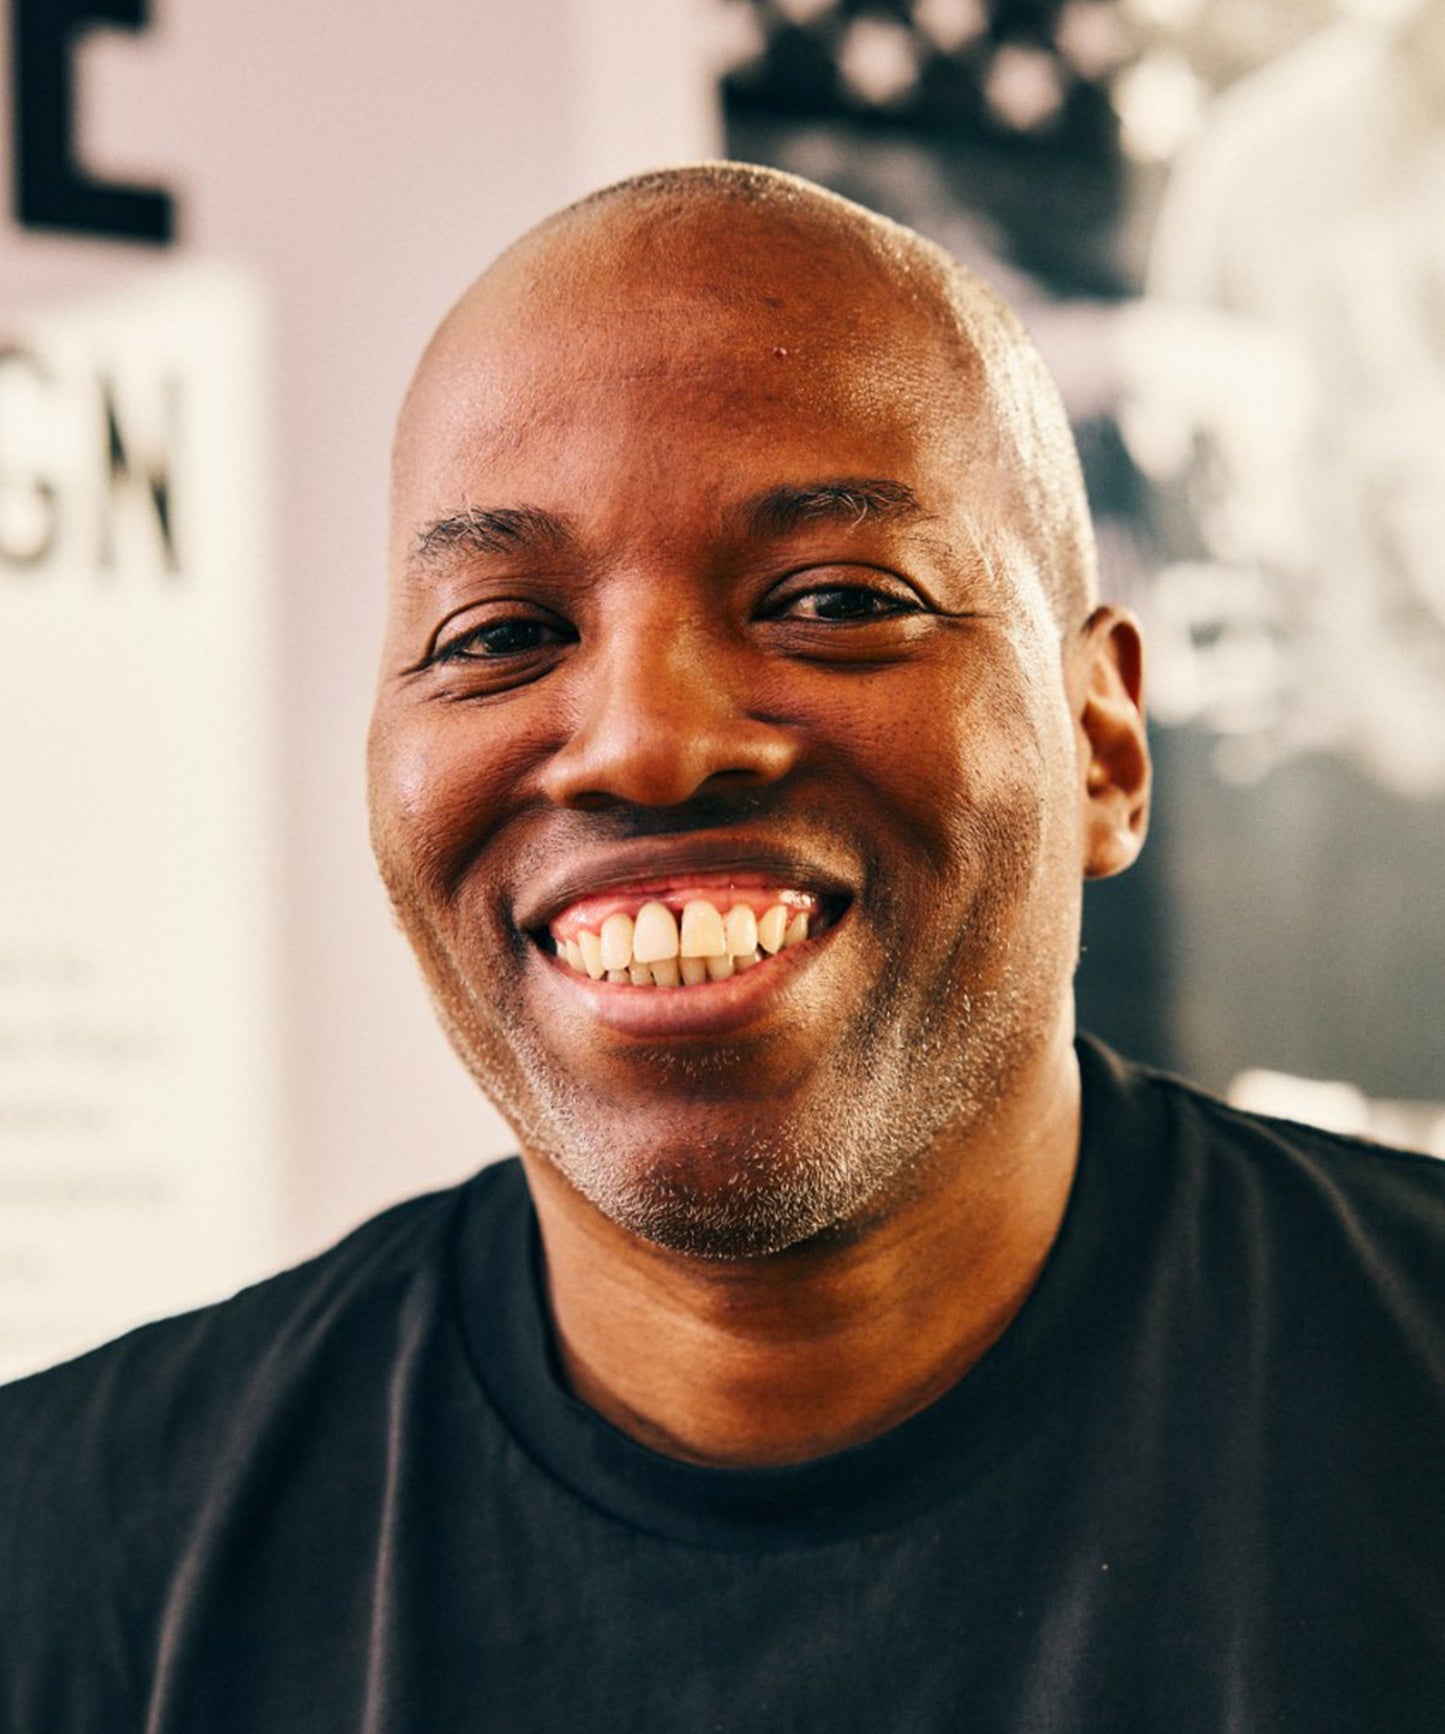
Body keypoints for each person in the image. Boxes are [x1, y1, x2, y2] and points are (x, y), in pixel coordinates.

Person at [2, 164, 1442, 1733]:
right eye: (498, 634)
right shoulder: (65, 1566)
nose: (644, 740)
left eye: (830, 597)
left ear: (1102, 744)